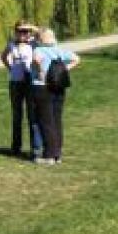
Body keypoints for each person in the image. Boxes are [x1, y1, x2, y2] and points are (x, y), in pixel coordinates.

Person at [30, 28, 80, 165]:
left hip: (42, 87)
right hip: (58, 87)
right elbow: (76, 59)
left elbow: (36, 60)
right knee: (57, 120)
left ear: (39, 40)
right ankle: (57, 154)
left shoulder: (38, 50)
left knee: (46, 122)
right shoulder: (59, 50)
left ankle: (49, 156)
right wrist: (63, 70)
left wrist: (41, 70)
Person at [0, 20, 39, 159]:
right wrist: (10, 68)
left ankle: (35, 148)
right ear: (15, 32)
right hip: (15, 83)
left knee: (32, 115)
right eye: (19, 31)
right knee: (17, 116)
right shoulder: (11, 43)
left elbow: (44, 34)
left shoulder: (33, 42)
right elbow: (3, 56)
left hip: (30, 82)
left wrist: (31, 27)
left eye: (25, 31)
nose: (22, 34)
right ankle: (16, 147)